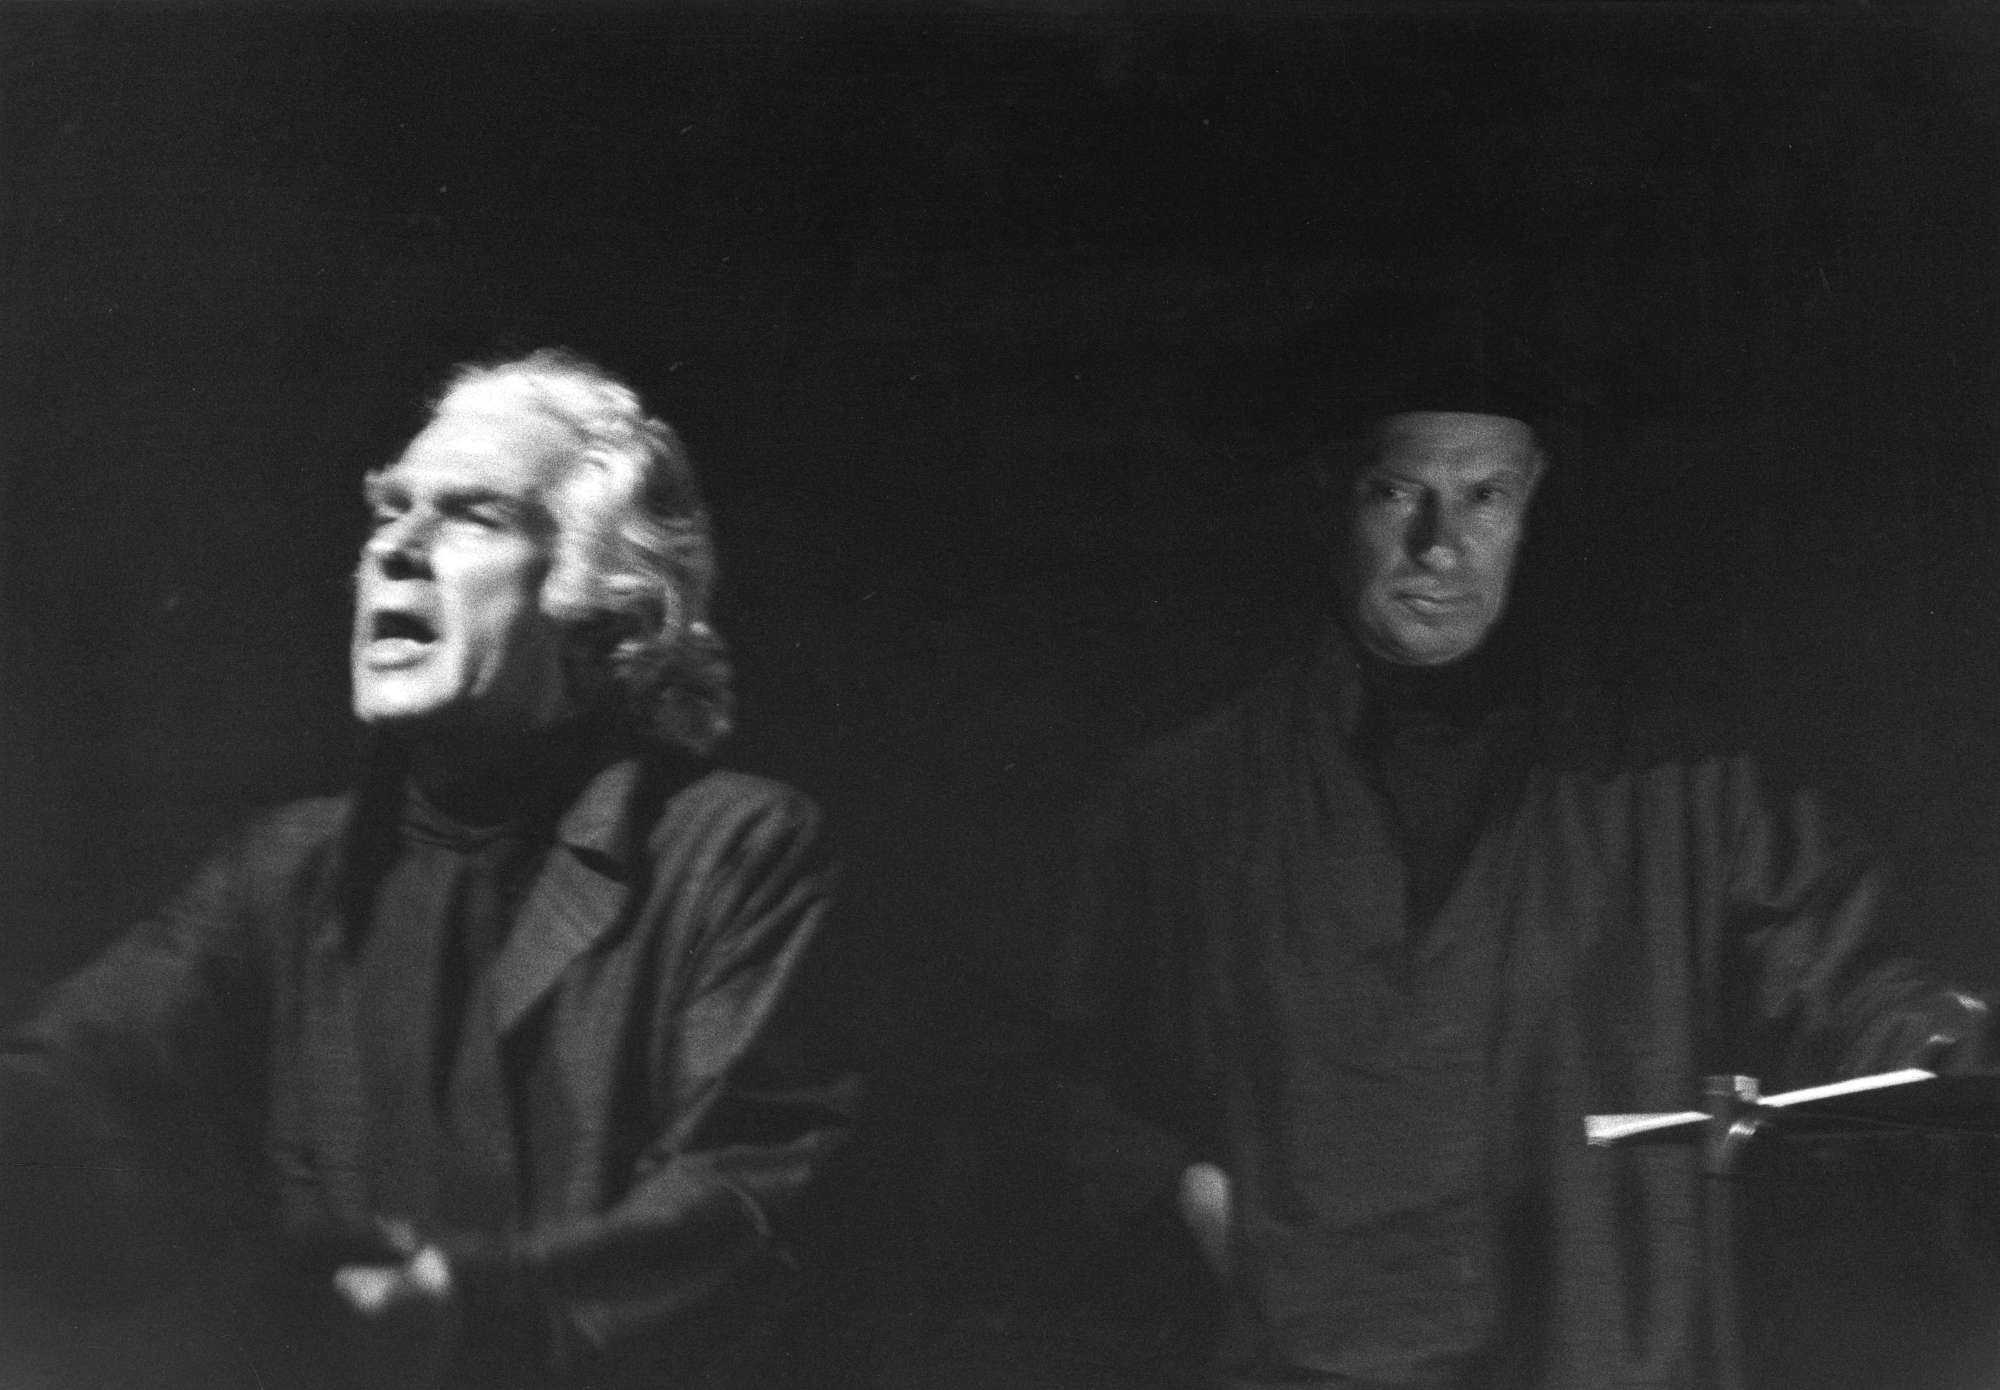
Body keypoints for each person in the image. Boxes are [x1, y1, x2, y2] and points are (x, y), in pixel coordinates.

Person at [985, 375, 1992, 1389]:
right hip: (1289, 1359)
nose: (1438, 545)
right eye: (1397, 493)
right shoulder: (1182, 800)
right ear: (1333, 504)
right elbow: (1030, 1069)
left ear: (1533, 512)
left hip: (1591, 1352)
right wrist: (1185, 1201)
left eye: (1485, 497)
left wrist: (1951, 1047)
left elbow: (1853, 988)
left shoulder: (1689, 795)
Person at [0, 350, 860, 1389]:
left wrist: (474, 1312)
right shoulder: (284, 870)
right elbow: (72, 1073)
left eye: (473, 516)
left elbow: (751, 1188)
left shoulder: (737, 849)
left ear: (606, 610)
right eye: (388, 512)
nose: (395, 550)